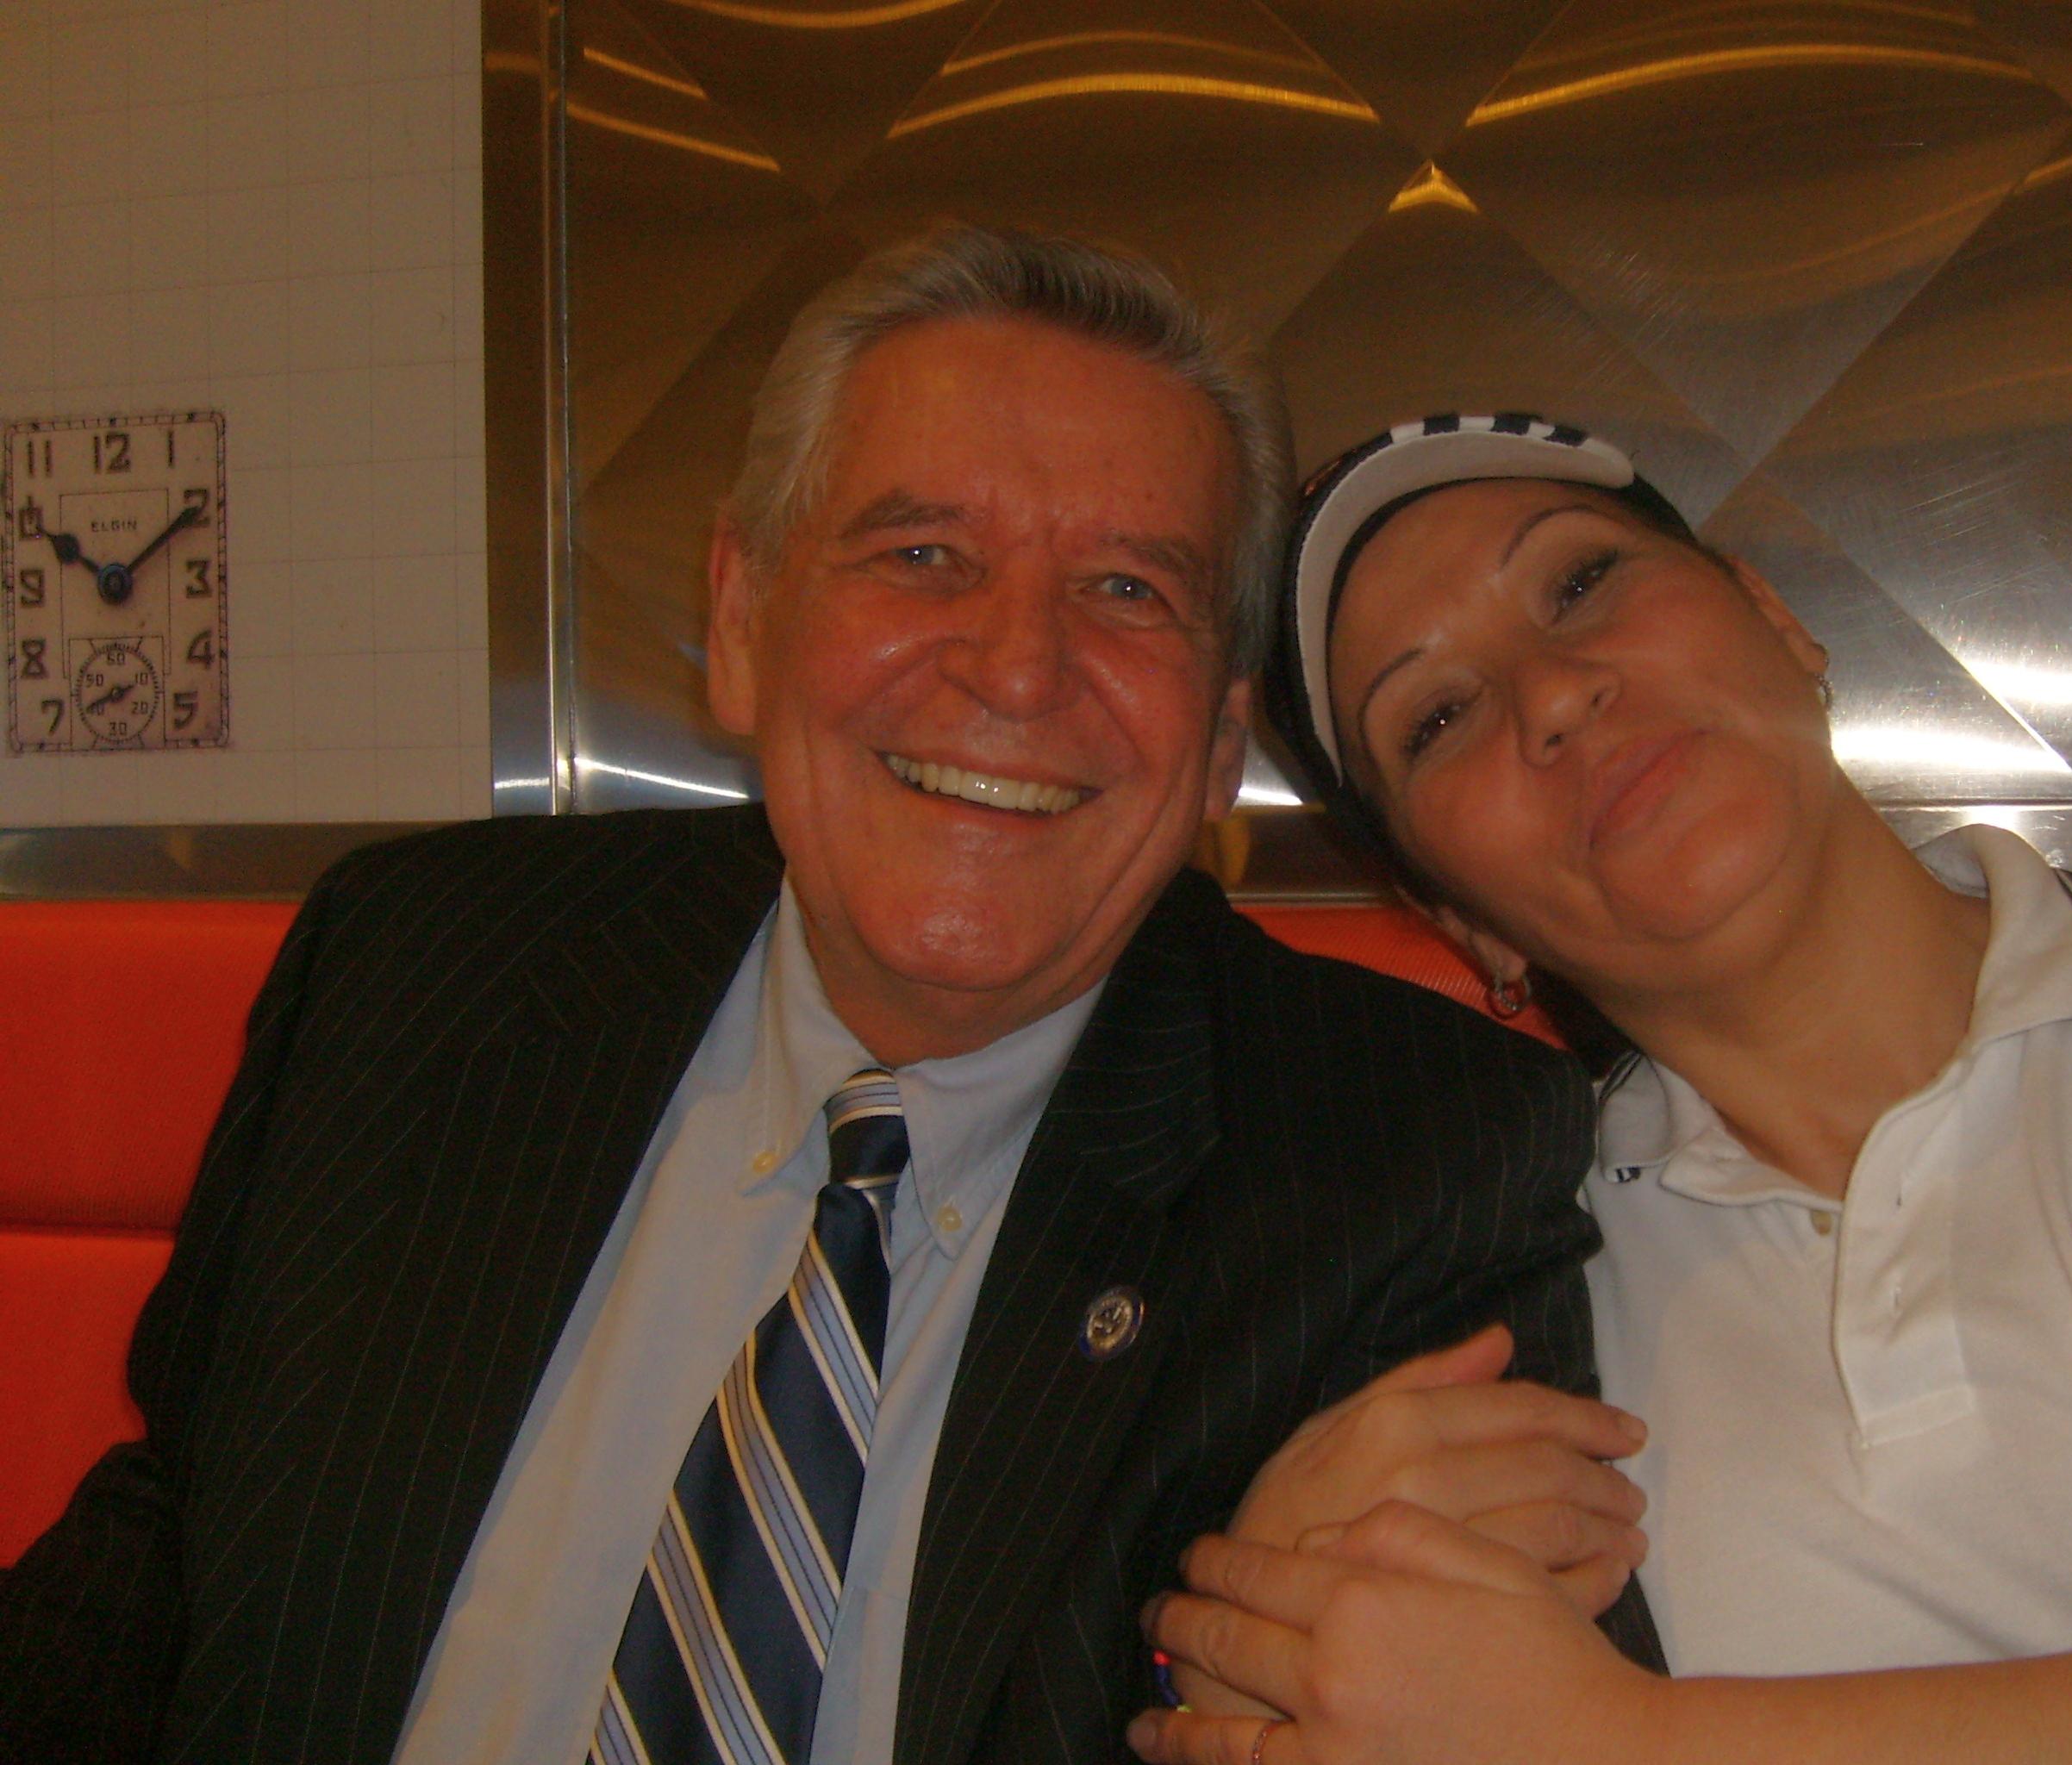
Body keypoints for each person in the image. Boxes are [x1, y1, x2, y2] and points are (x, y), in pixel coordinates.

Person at [0, 249, 1658, 1765]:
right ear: (742, 620)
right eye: (923, 555)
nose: (1016, 667)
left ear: (1221, 740)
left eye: (1128, 593)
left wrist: (1212, 1651)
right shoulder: (420, 968)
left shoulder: (1407, 1166)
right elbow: (170, 1556)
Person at [1133, 414, 2072, 1764]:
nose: (1553, 696)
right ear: (1465, 924)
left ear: (1777, 620)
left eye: (1581, 582)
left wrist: (1629, 1748)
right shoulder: (1513, 1280)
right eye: (1437, 717)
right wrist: (1252, 1617)